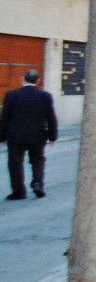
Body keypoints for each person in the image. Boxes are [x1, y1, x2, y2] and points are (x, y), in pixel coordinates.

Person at [0, 70, 58, 200]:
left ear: (23, 80)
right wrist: (53, 136)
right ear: (37, 81)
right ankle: (38, 183)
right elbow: (51, 117)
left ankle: (19, 192)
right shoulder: (45, 96)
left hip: (16, 136)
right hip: (37, 136)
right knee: (38, 160)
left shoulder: (12, 95)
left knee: (15, 164)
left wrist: (2, 136)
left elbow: (5, 118)